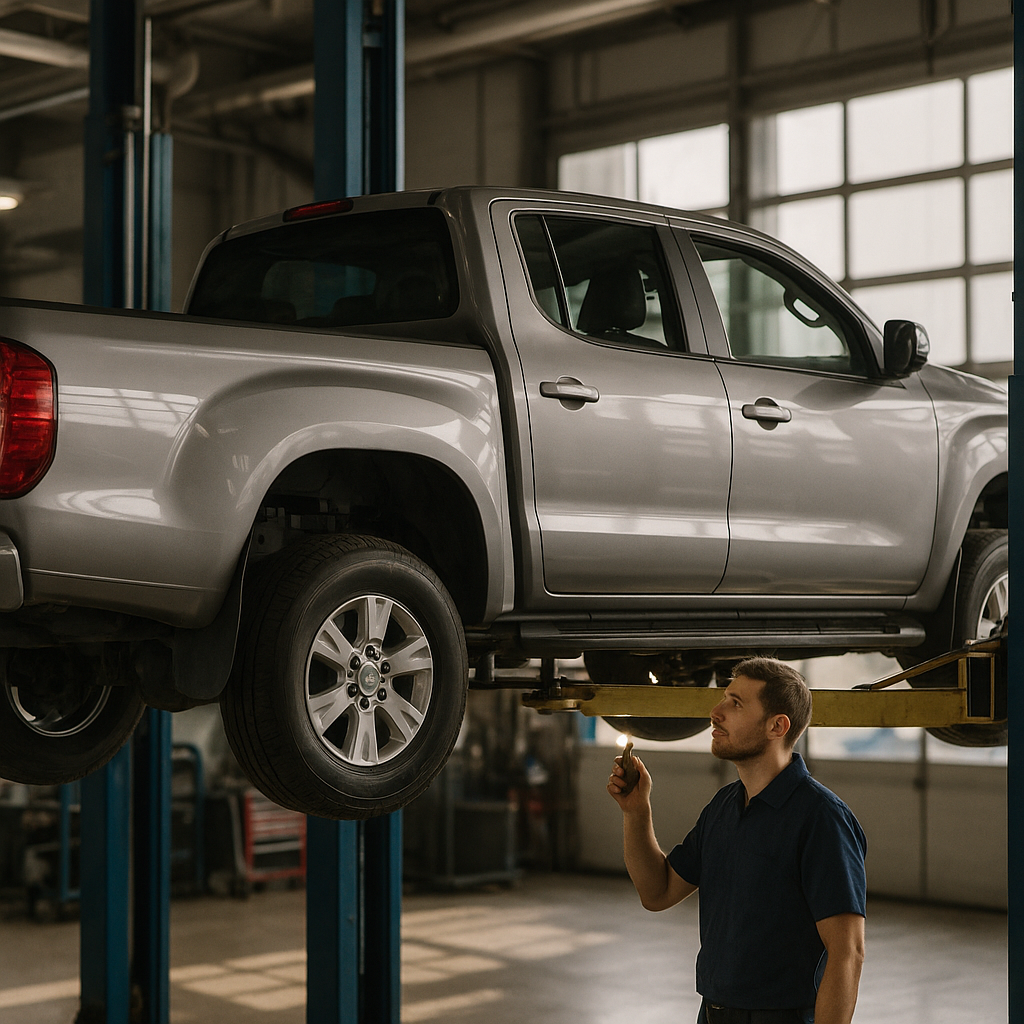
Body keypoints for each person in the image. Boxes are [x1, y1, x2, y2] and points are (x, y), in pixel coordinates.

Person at [608, 657, 867, 1024]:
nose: (716, 712)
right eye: (724, 698)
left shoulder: (821, 818)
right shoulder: (724, 807)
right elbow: (658, 892)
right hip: (714, 1013)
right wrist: (636, 813)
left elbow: (847, 952)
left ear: (777, 726)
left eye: (736, 703)